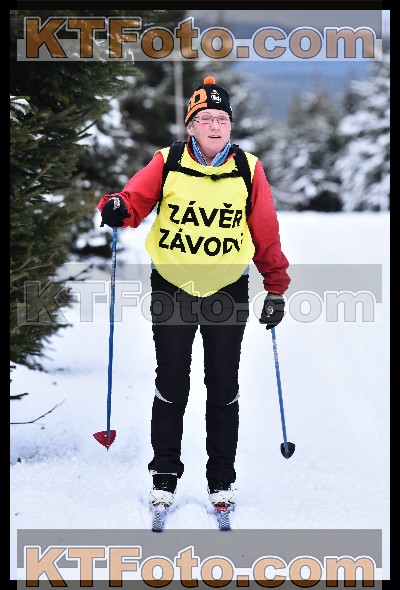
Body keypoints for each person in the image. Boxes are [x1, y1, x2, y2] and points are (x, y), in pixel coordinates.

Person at [97, 76, 290, 512]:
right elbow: (133, 201)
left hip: (227, 288)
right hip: (172, 285)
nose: (215, 125)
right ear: (191, 126)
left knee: (223, 385)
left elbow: (265, 231)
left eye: (222, 118)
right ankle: (164, 475)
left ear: (230, 125)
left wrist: (275, 287)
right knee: (171, 381)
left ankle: (221, 479)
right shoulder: (167, 162)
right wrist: (117, 207)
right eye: (205, 119)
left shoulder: (248, 168)